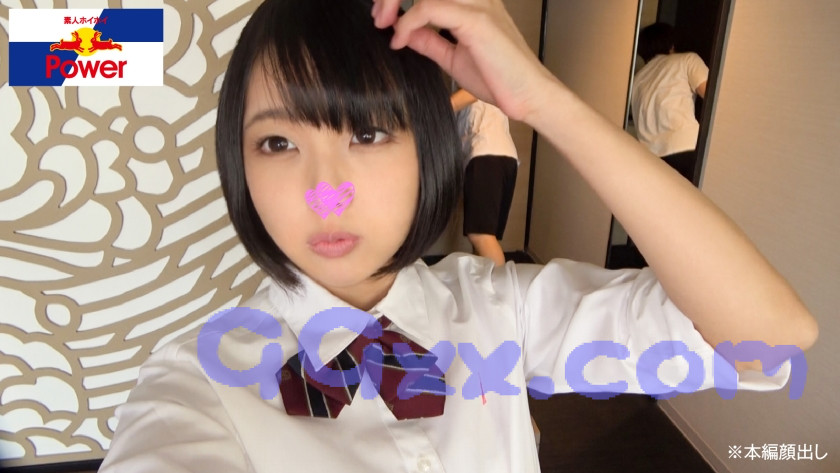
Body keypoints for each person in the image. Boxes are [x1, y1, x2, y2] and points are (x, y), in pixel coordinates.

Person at [99, 0, 817, 471]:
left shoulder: (501, 307)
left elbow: (770, 338)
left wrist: (547, 101)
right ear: (239, 165)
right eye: (278, 144)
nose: (325, 191)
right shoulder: (195, 388)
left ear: (430, 147)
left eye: (368, 133)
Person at [630, 22, 709, 182]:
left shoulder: (637, 79)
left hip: (651, 158)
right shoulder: (687, 60)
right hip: (685, 145)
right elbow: (712, 97)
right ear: (671, 45)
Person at [452, 88, 519, 266]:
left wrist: (442, 107)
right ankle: (484, 281)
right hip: (501, 156)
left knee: (480, 235)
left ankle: (499, 284)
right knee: (484, 236)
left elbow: (479, 87)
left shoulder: (476, 78)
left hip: (487, 154)